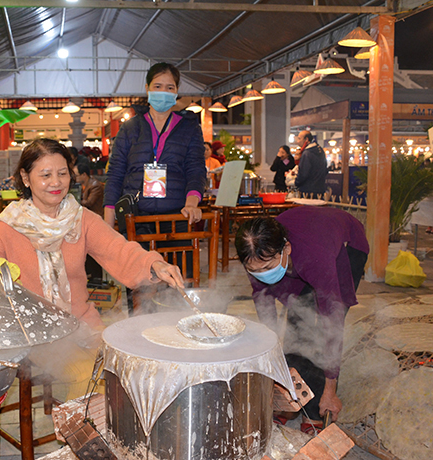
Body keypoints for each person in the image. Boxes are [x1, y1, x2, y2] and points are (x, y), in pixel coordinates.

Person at [0, 139, 186, 396]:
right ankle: (85, 434)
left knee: (130, 363)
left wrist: (153, 263)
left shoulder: (81, 219)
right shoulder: (9, 226)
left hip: (82, 323)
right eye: (45, 175)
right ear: (26, 177)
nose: (56, 182)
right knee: (86, 375)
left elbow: (118, 249)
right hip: (34, 332)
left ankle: (108, 430)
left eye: (62, 173)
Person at [235, 207, 369, 434]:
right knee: (298, 318)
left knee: (321, 328)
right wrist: (273, 358)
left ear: (285, 248)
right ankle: (292, 396)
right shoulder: (256, 253)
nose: (262, 273)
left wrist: (331, 390)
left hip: (345, 246)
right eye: (255, 270)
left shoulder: (314, 255)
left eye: (268, 268)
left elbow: (332, 326)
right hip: (307, 246)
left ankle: (318, 405)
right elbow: (265, 305)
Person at [103, 62, 206, 229]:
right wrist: (107, 226)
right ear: (147, 88)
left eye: (170, 87)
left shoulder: (190, 128)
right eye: (157, 86)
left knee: (178, 255)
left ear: (176, 91)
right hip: (135, 218)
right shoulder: (130, 128)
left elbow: (196, 170)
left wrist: (192, 204)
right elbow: (115, 174)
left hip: (177, 216)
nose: (163, 92)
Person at [294, 130, 327, 196]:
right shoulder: (320, 150)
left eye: (299, 138)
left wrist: (296, 182)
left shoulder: (307, 153)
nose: (298, 141)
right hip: (320, 188)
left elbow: (303, 173)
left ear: (306, 139)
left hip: (307, 190)